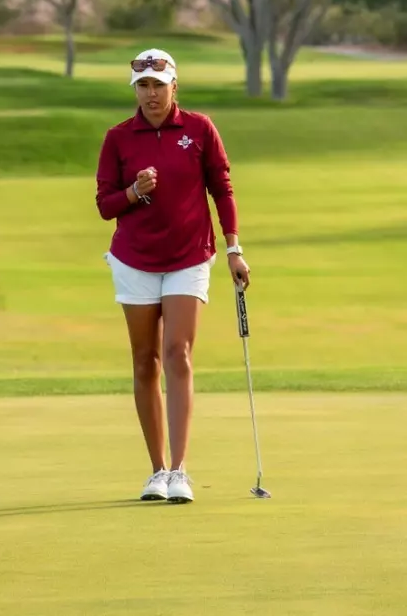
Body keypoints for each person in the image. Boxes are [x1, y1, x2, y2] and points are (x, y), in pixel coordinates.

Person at [94, 47, 248, 504]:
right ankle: (156, 471)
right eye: (143, 86)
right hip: (134, 260)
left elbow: (221, 188)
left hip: (189, 256)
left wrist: (234, 248)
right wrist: (134, 192)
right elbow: (105, 206)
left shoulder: (199, 129)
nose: (151, 94)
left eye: (159, 86)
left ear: (174, 86)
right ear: (135, 90)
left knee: (177, 351)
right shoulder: (118, 138)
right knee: (145, 361)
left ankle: (180, 470)